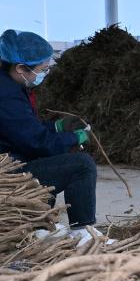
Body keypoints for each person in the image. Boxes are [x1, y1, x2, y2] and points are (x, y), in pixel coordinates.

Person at [0, 29, 100, 244]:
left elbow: (22, 129)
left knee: (49, 158)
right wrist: (75, 138)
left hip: (10, 157)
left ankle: (39, 226)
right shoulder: (6, 96)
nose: (44, 74)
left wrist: (56, 126)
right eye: (42, 70)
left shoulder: (10, 84)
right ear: (20, 68)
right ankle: (82, 232)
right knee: (82, 165)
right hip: (6, 174)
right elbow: (38, 143)